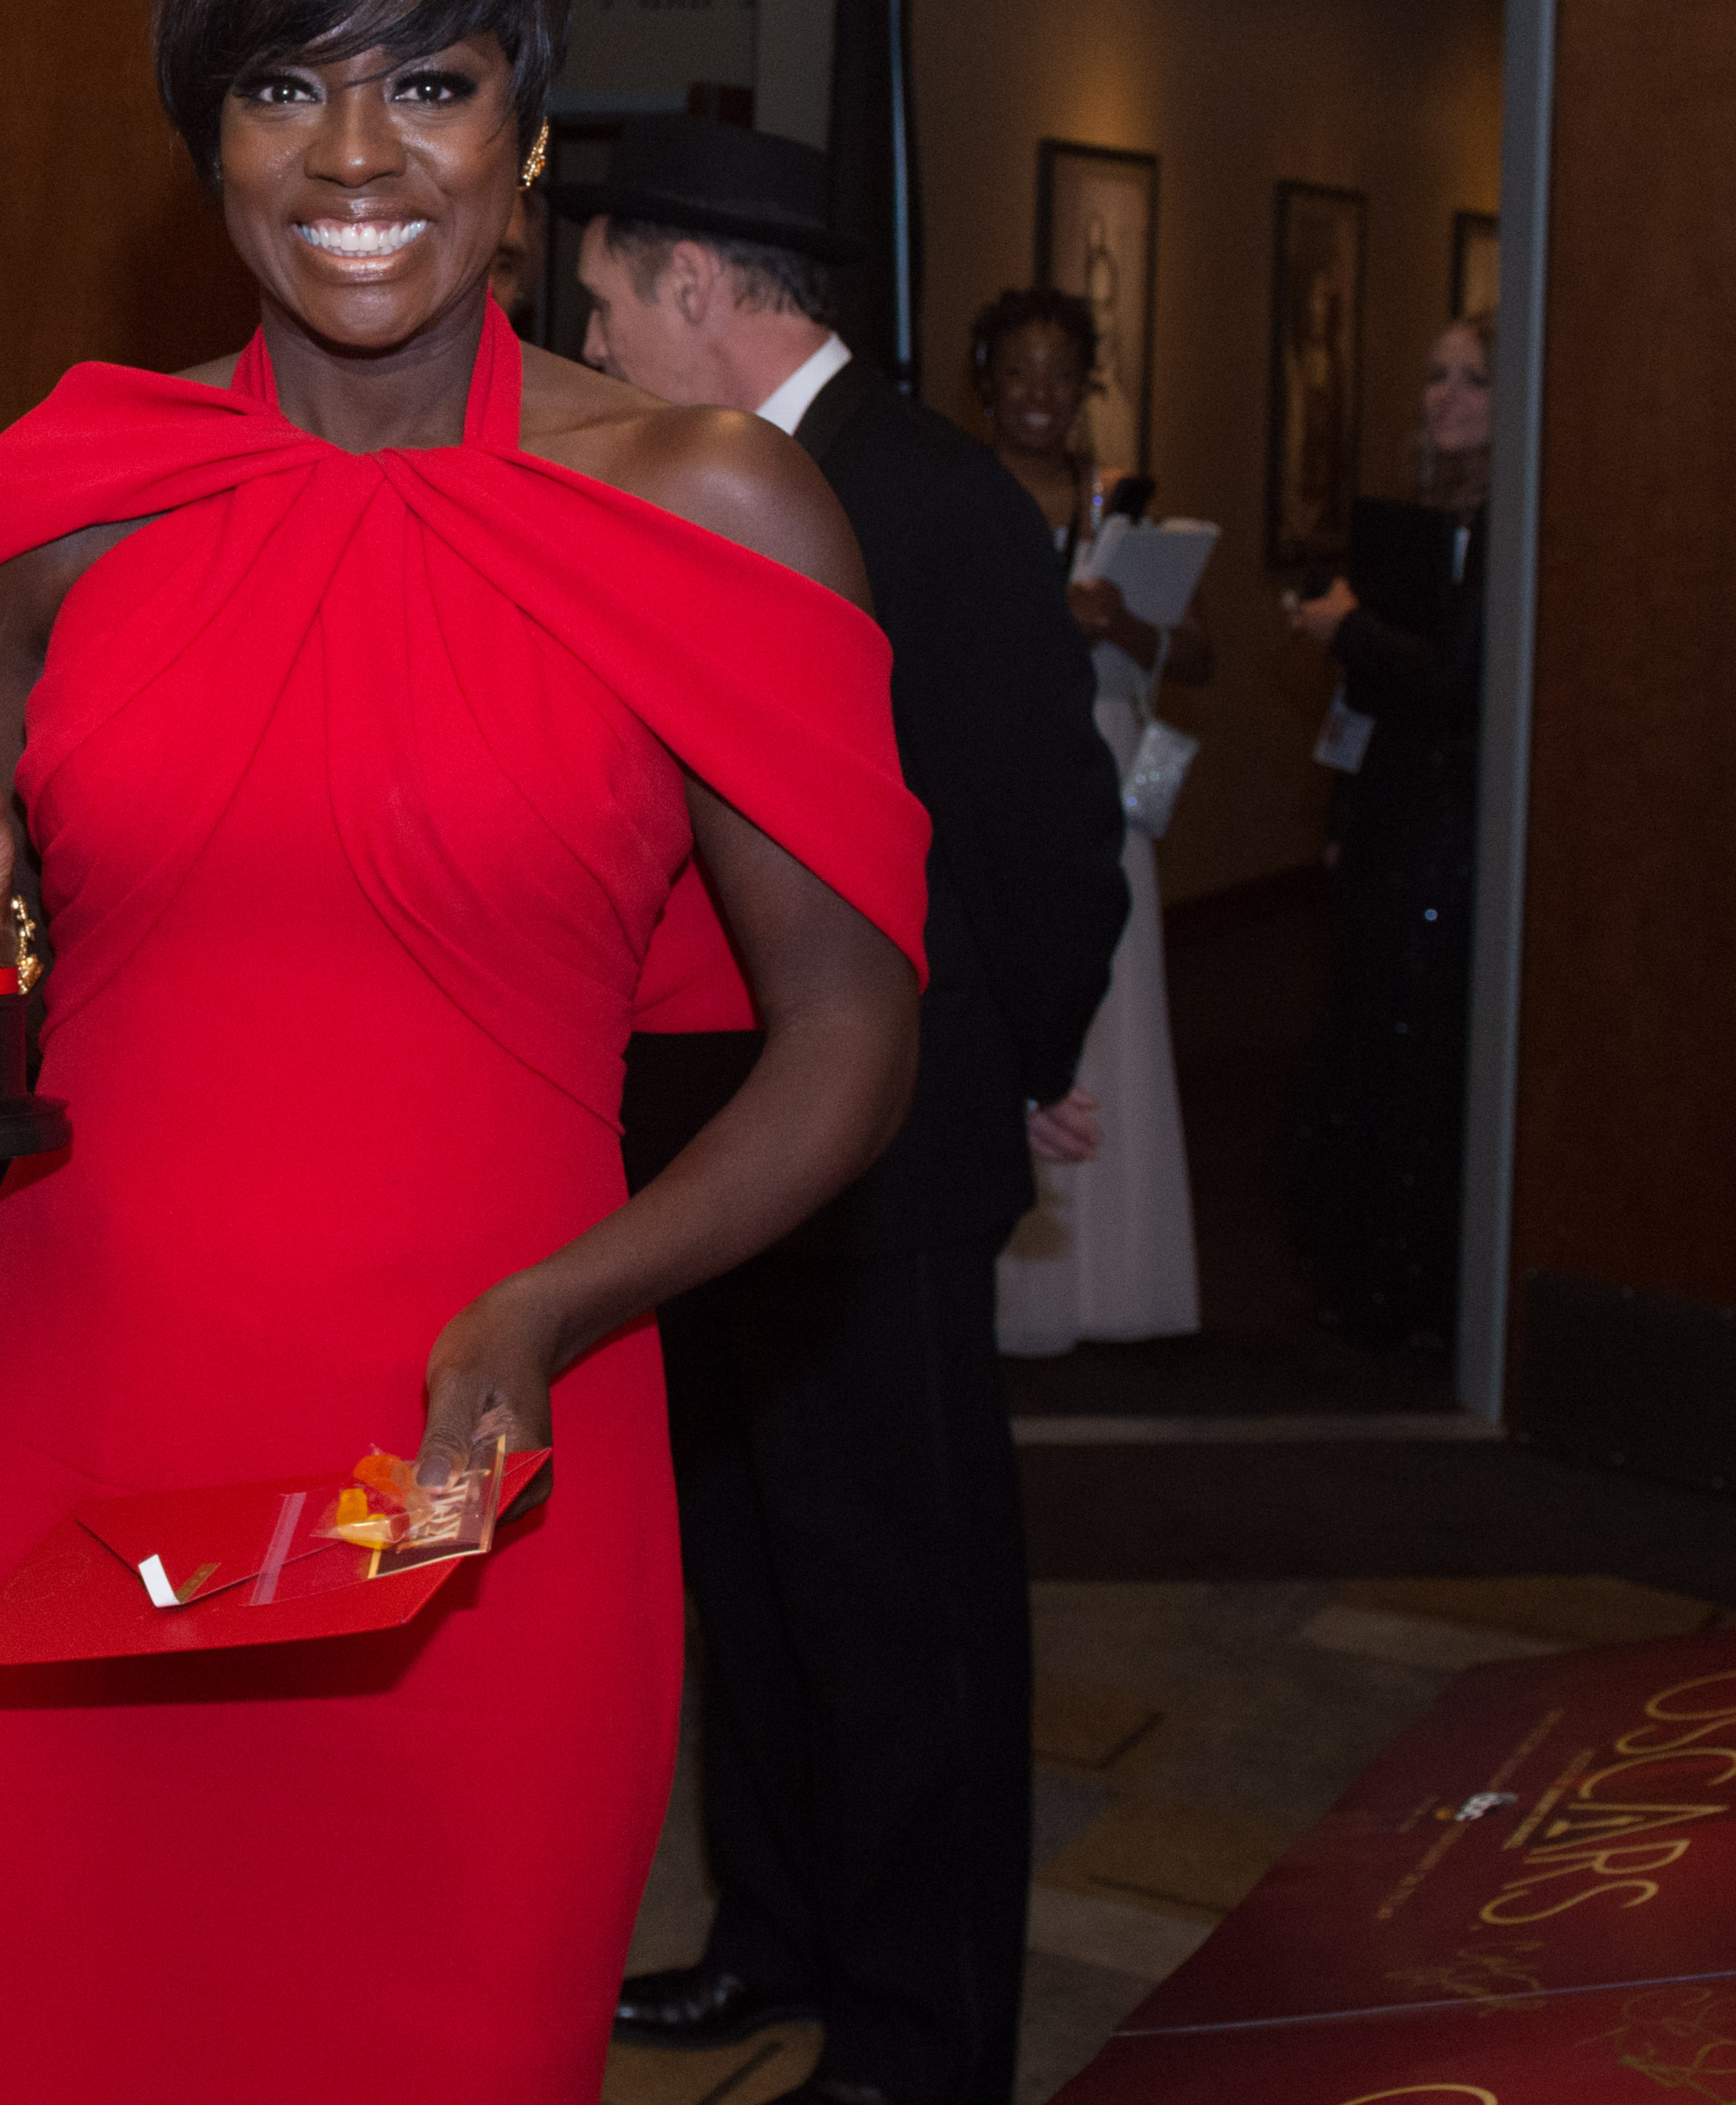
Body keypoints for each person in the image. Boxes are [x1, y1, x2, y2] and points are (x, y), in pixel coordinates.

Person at [0, 0, 931, 2105]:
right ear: (207, 133)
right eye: (280, 81)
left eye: (430, 81)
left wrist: (564, 1300)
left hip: (480, 1468)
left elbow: (851, 1034)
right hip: (76, 1450)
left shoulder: (714, 506)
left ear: (530, 128)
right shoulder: (66, 499)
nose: (355, 151)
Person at [577, 134, 1123, 2105]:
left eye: (610, 300)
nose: (596, 337)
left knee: (903, 1599)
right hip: (722, 1125)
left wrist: (1021, 1058)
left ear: (704, 289)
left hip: (887, 1139)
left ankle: (922, 2033)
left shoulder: (920, 494)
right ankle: (774, 1932)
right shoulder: (699, 487)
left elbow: (1041, 831)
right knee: (755, 1559)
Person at [968, 283, 1209, 1354]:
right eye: (1018, 372)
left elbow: (1199, 655)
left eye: (1059, 375)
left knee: (1118, 994)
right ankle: (1024, 1296)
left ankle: (1120, 1278)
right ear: (986, 382)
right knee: (1019, 986)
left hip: (1110, 761)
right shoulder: (962, 493)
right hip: (1003, 763)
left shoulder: (1120, 498)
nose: (1038, 394)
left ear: (1083, 386)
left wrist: (1127, 621)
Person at [1279, 309, 1493, 1355]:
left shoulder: (1512, 521)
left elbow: (1460, 682)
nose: (1445, 396)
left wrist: (1344, 626)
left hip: (1458, 827)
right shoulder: (1410, 523)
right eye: (1436, 375)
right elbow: (1372, 697)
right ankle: (1365, 1274)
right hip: (1393, 813)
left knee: (1423, 1039)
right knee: (1366, 1024)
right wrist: (1339, 812)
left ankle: (1425, 1289)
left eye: (1473, 379)